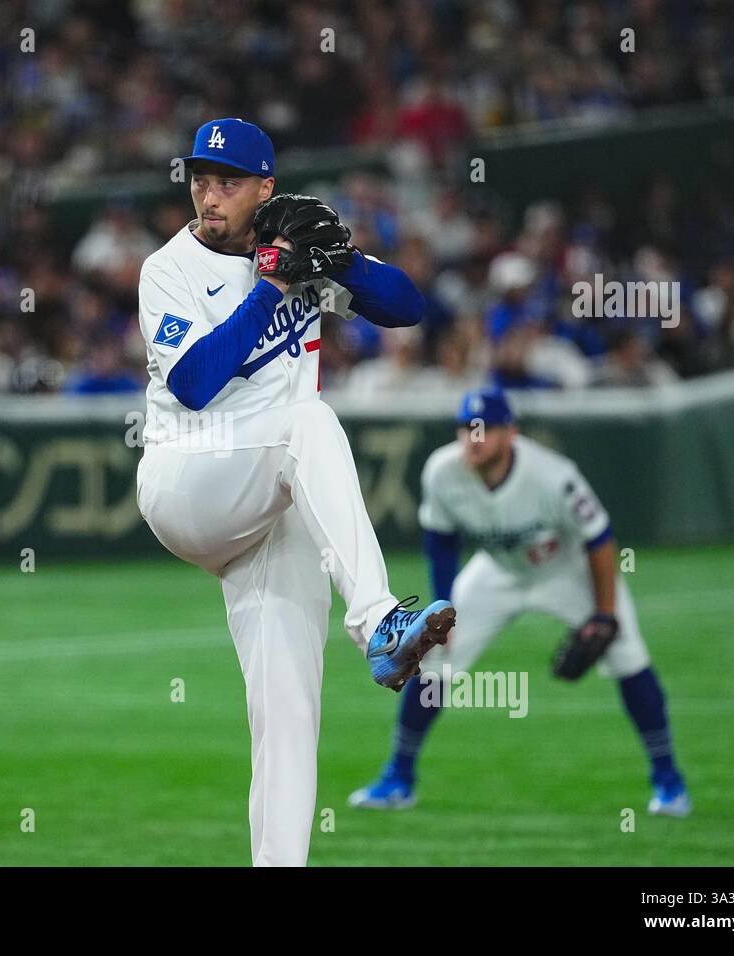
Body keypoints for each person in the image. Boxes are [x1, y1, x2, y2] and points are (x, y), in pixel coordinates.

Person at [134, 118, 455, 866]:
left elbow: (409, 307)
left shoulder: (298, 248)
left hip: (270, 501)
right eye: (200, 178)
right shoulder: (169, 268)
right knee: (308, 419)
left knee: (287, 713)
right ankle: (378, 621)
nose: (209, 194)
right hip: (189, 476)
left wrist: (341, 261)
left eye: (228, 181)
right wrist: (275, 284)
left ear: (265, 188)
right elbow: (194, 381)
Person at [348, 387, 691, 817]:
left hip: (566, 569)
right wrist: (444, 610)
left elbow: (600, 541)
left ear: (510, 433)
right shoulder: (442, 472)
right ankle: (399, 778)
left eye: (485, 429)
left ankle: (668, 781)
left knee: (628, 658)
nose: (474, 439)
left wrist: (605, 614)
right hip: (498, 570)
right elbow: (442, 542)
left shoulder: (553, 475)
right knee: (434, 662)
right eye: (466, 429)